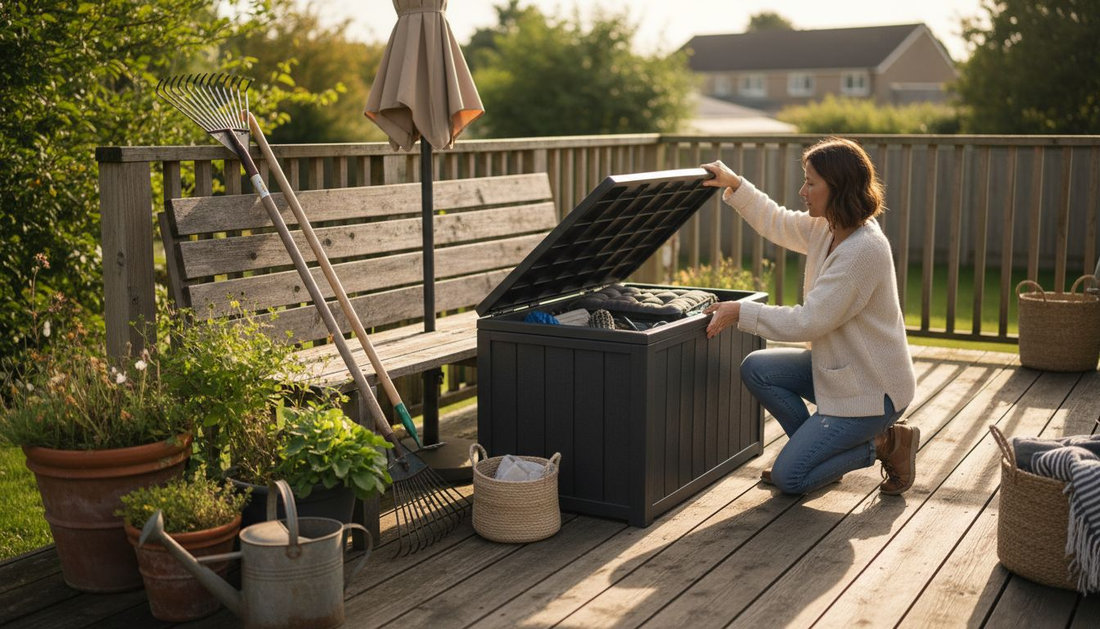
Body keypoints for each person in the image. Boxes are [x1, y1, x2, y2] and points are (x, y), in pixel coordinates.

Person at [700, 137, 919, 495]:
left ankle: (885, 442)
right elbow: (777, 222)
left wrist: (741, 311)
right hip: (841, 371)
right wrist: (736, 185)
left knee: (791, 479)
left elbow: (809, 321)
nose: (803, 190)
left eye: (811, 182)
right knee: (757, 367)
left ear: (839, 187)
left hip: (872, 392)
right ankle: (818, 453)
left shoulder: (862, 251)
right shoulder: (828, 226)